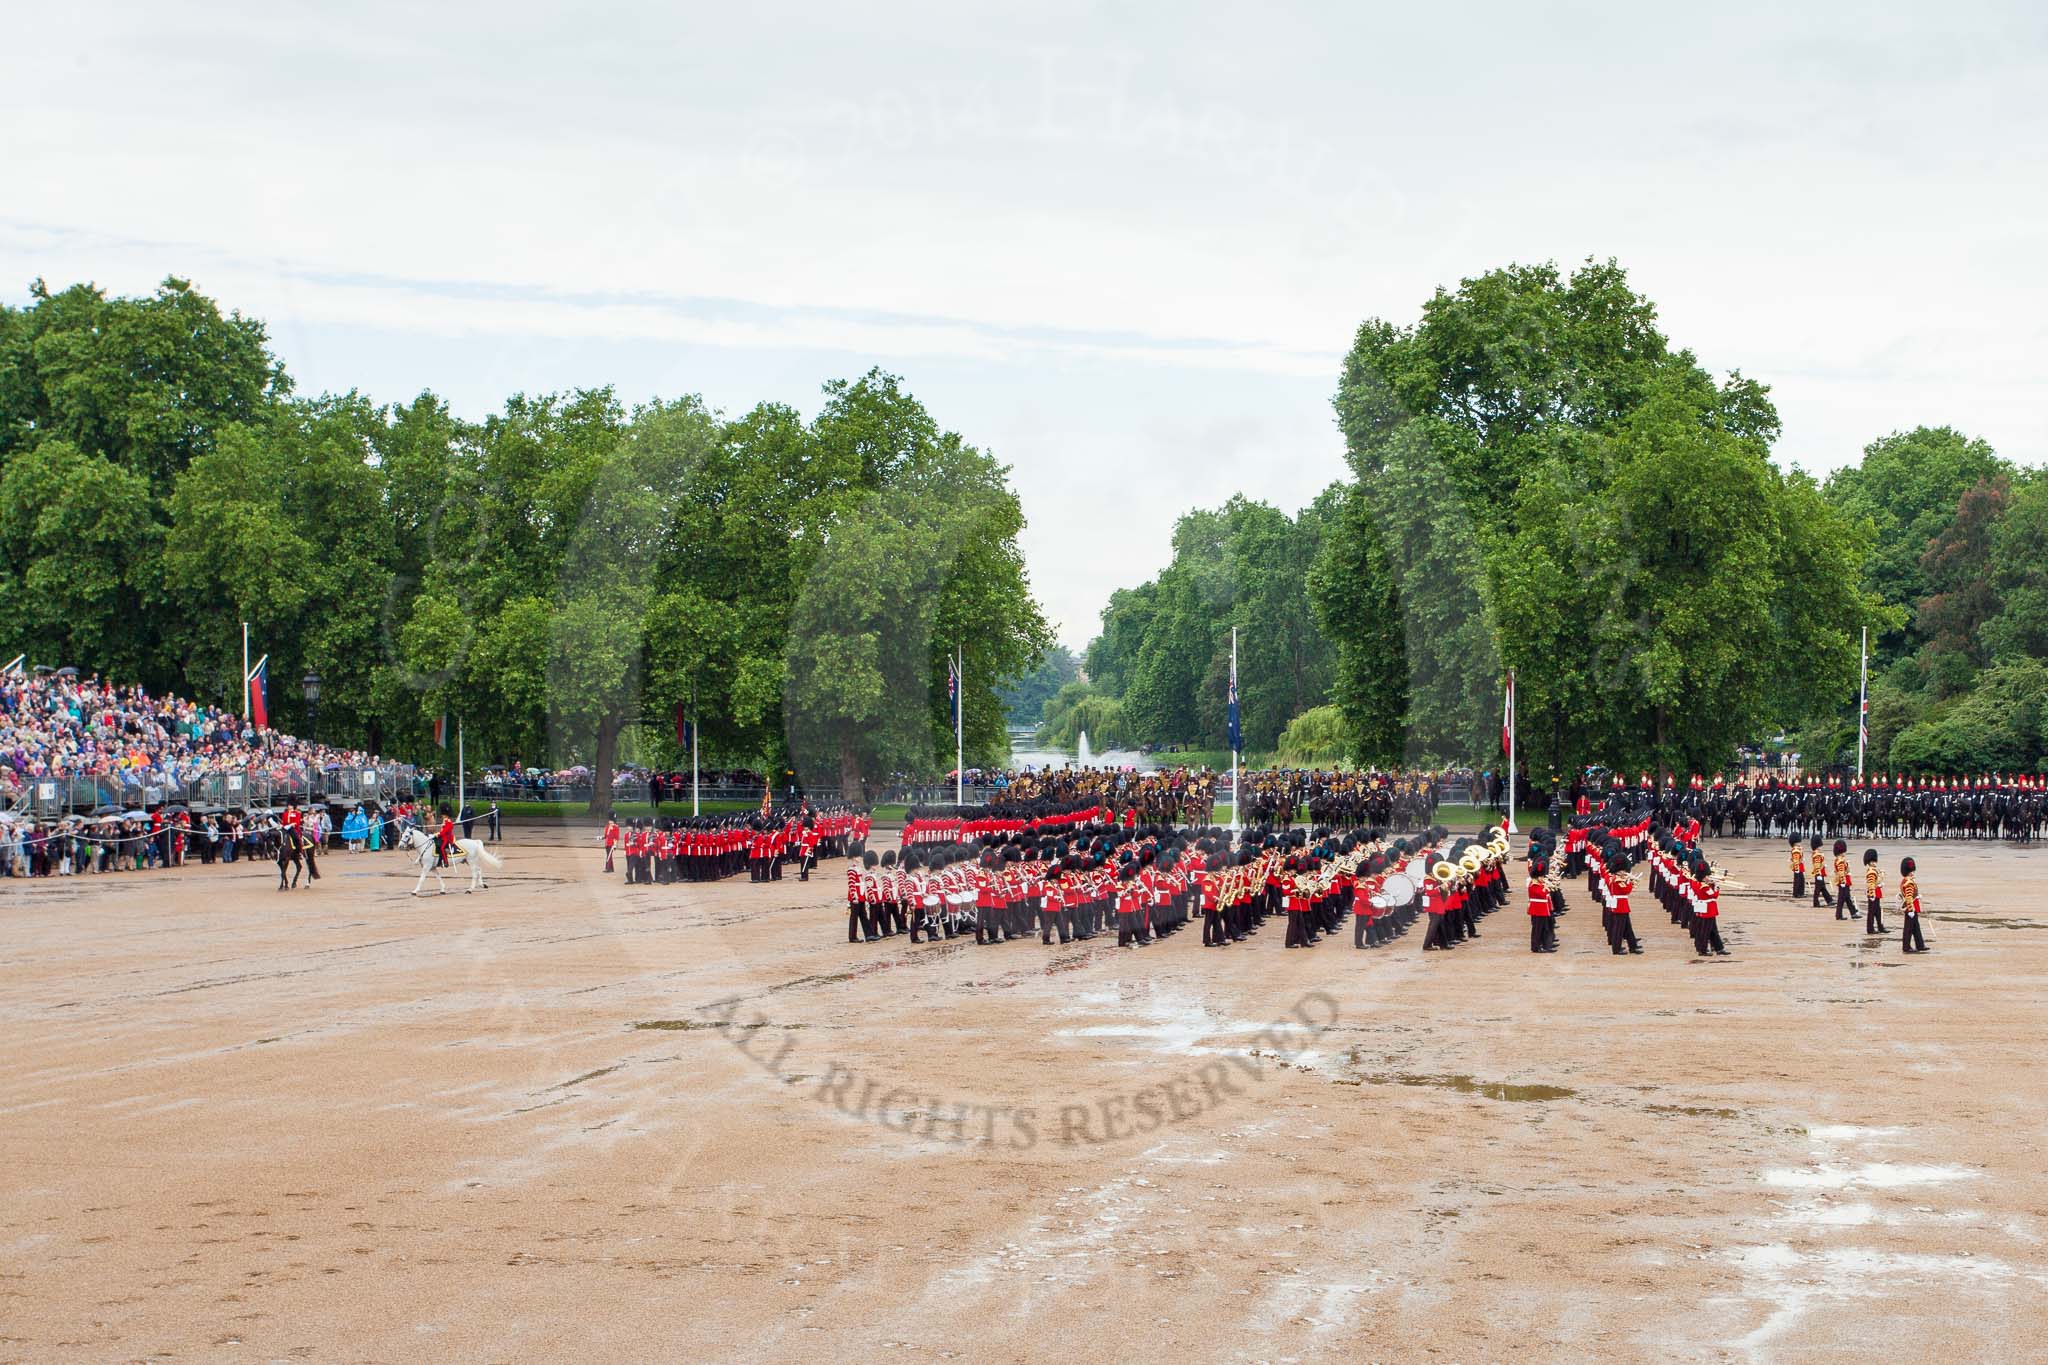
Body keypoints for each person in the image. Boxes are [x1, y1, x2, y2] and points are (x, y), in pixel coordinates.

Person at [1900, 856, 1927, 953]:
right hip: (1910, 907)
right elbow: (1909, 897)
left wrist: (1917, 896)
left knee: (1916, 927)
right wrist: (1911, 909)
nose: (1912, 873)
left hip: (1913, 906)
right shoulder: (1909, 882)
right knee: (1908, 929)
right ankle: (1906, 947)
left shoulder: (1907, 880)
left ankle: (1920, 945)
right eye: (1911, 871)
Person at [1863, 847, 1886, 934]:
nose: (1874, 863)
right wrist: (1872, 894)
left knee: (1877, 912)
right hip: (1873, 893)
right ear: (1870, 862)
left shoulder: (1874, 870)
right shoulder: (1871, 872)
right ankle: (1870, 929)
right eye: (1873, 861)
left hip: (1876, 892)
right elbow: (1871, 884)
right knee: (1872, 912)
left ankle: (1880, 927)